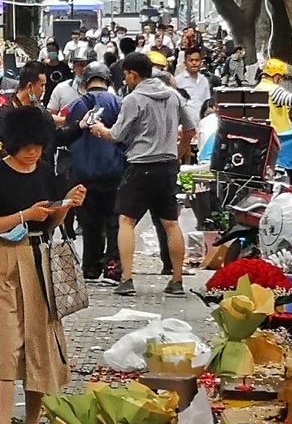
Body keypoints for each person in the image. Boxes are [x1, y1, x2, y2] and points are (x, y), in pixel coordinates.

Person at [0, 106, 87, 424]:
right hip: (2, 261)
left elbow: (50, 223)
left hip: (39, 258)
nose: (33, 153)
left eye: (39, 147)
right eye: (27, 147)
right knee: (5, 347)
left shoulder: (45, 172)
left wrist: (67, 205)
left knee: (39, 342)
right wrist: (24, 215)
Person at [89, 53, 196, 297]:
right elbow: (190, 130)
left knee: (126, 221)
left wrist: (100, 129)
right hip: (167, 167)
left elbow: (116, 135)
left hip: (140, 166)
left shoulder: (133, 99)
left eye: (126, 75)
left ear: (134, 75)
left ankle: (127, 279)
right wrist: (178, 155)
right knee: (171, 223)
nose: (125, 79)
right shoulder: (173, 95)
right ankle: (177, 281)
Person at [55, 64, 125, 282]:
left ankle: (91, 268)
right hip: (114, 171)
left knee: (90, 223)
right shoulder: (119, 103)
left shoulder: (76, 105)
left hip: (84, 172)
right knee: (114, 223)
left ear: (84, 84)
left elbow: (68, 133)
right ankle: (113, 268)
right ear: (108, 82)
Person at [0, 62, 51, 161]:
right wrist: (15, 160)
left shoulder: (41, 112)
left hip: (42, 167)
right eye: (42, 85)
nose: (44, 90)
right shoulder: (7, 112)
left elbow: (57, 135)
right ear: (30, 86)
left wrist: (77, 126)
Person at [254, 58, 292, 134]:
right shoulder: (273, 90)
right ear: (276, 75)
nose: (282, 80)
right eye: (282, 76)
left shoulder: (258, 88)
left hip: (267, 133)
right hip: (279, 134)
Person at [47, 54, 90, 120]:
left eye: (87, 65)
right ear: (74, 67)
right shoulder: (61, 88)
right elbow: (50, 115)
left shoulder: (101, 90)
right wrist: (66, 121)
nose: (84, 68)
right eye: (80, 65)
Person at [176, 47, 212, 122]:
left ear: (201, 62)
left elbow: (207, 102)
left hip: (202, 121)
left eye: (197, 60)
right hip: (185, 122)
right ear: (185, 63)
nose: (194, 63)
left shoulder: (204, 80)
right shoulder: (178, 81)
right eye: (191, 60)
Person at [41, 37, 72, 105]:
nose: (52, 53)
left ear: (57, 52)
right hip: (48, 98)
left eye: (53, 50)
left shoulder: (64, 67)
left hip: (62, 97)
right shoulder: (43, 67)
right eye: (50, 51)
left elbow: (69, 81)